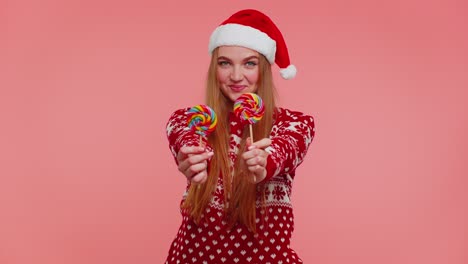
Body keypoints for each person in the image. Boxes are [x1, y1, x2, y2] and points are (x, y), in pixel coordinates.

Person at [164, 9, 315, 263]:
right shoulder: (194, 122)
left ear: (264, 69)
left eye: (249, 63)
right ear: (215, 68)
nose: (235, 76)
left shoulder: (294, 124)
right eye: (225, 63)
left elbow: (287, 147)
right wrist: (191, 157)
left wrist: (264, 163)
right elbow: (181, 134)